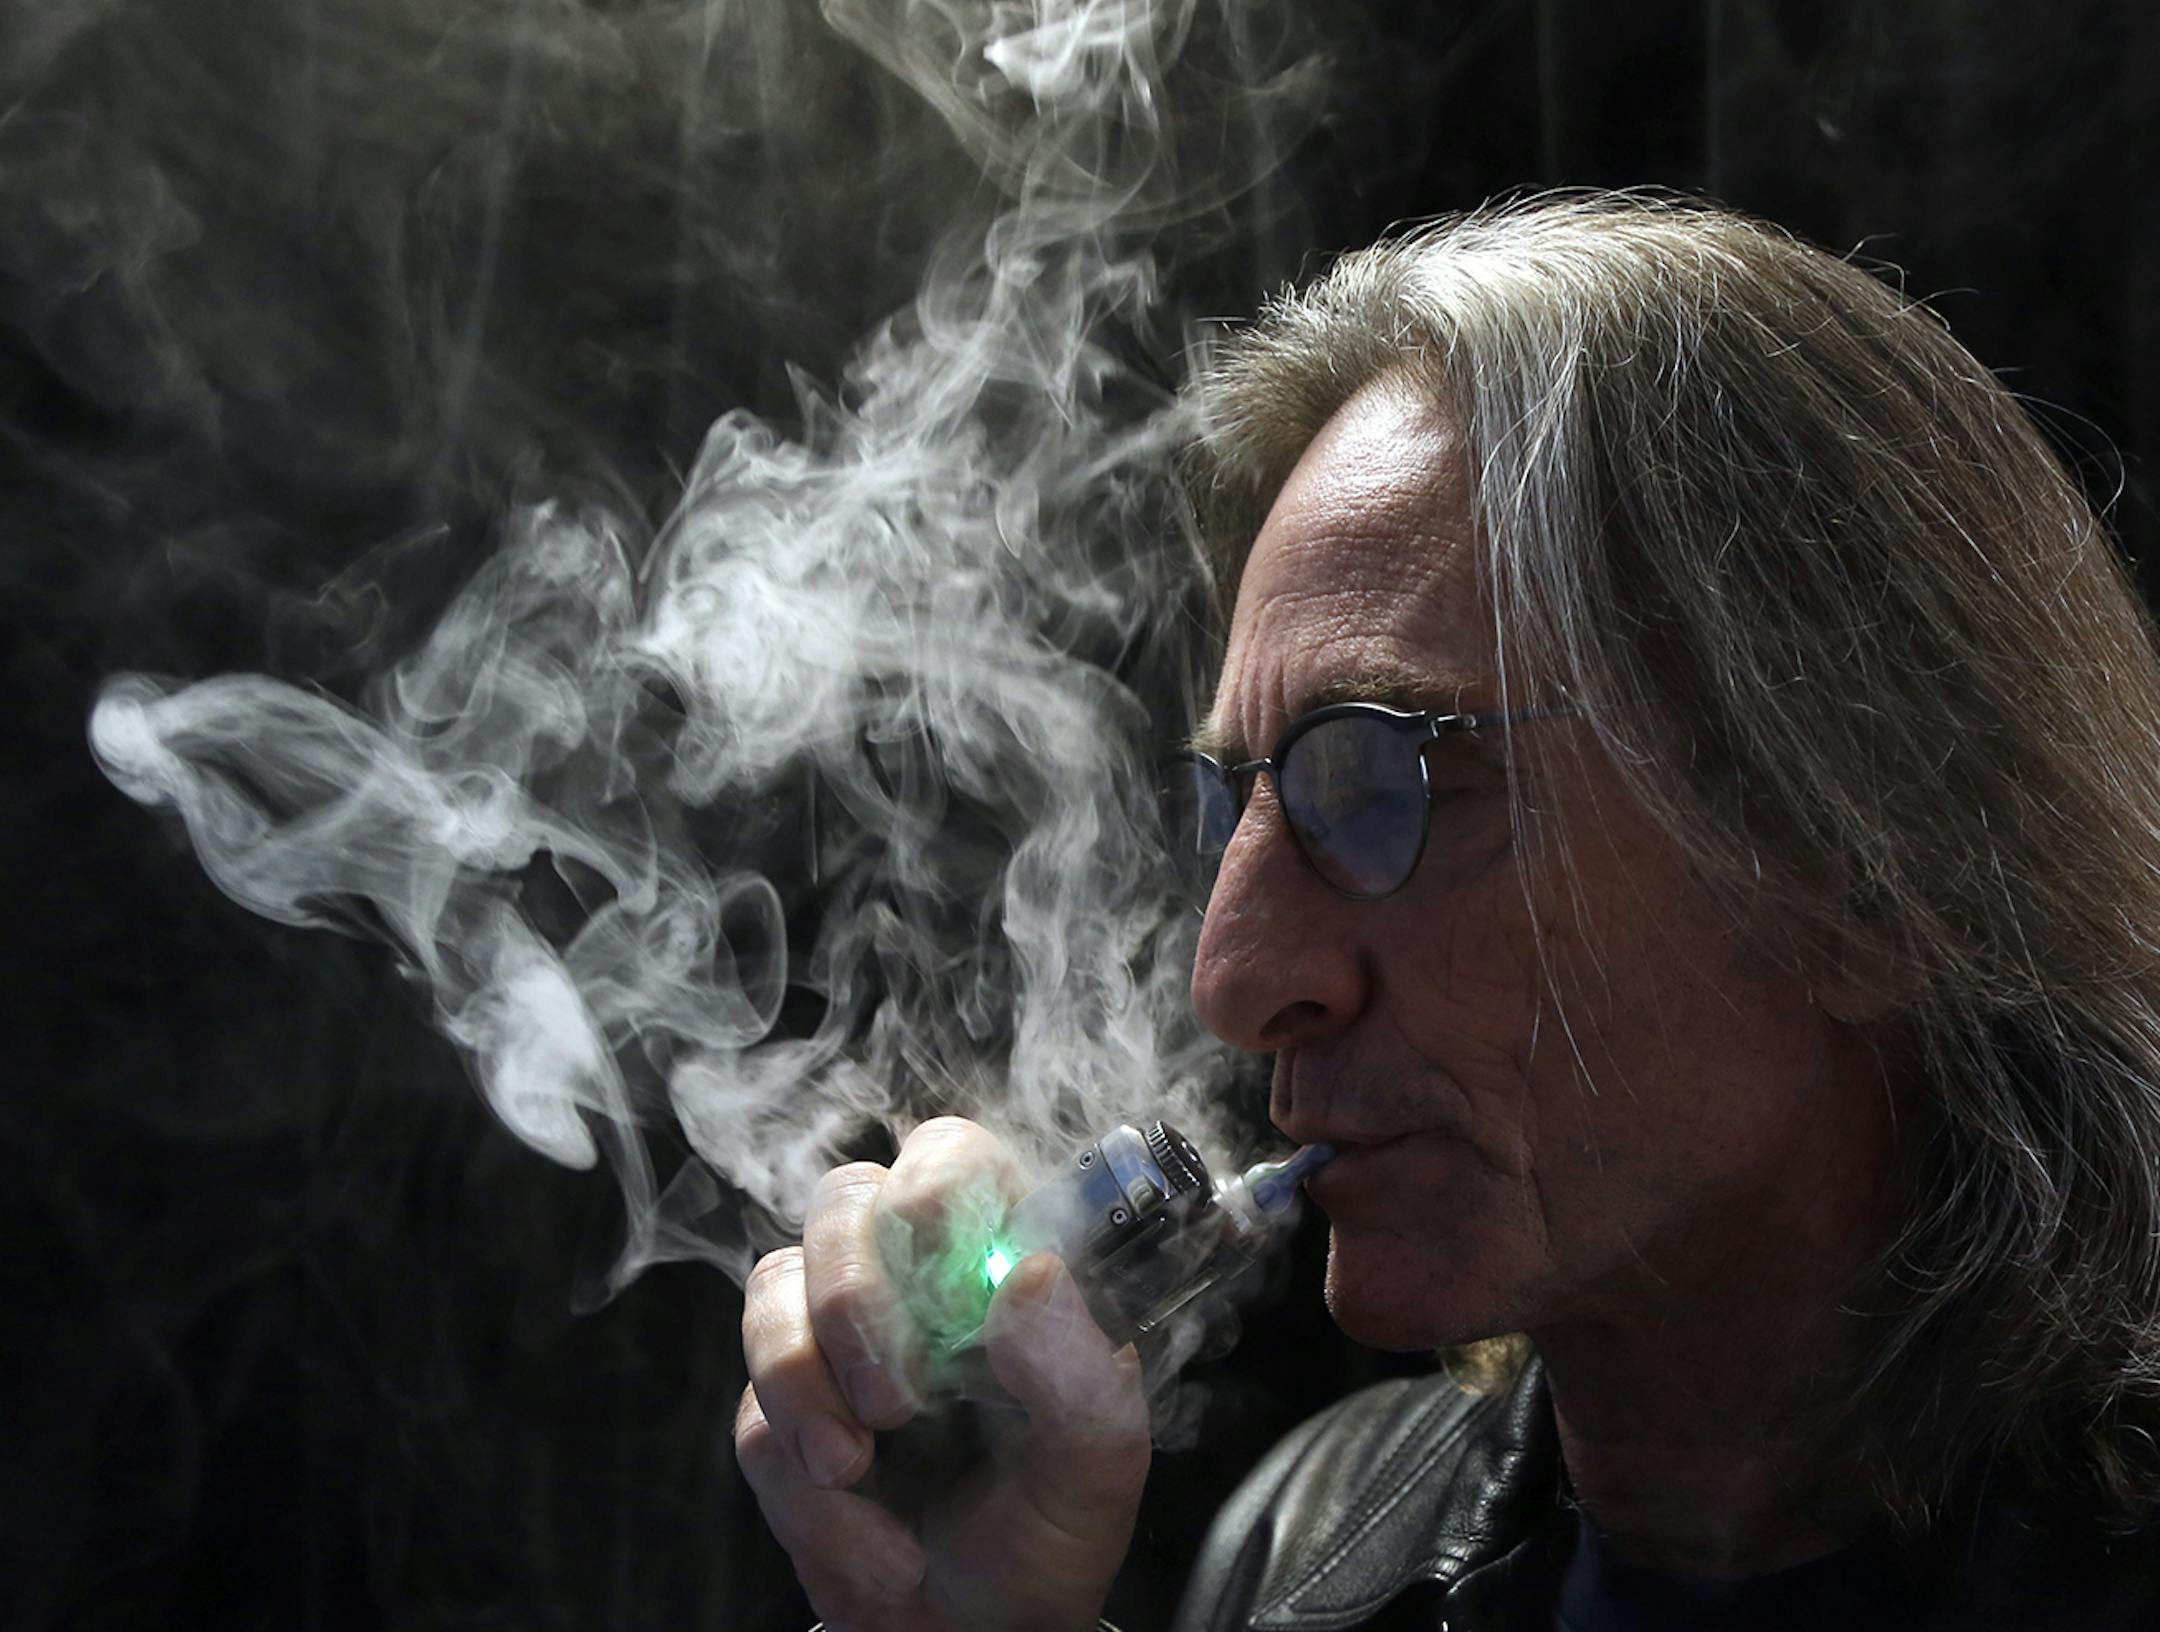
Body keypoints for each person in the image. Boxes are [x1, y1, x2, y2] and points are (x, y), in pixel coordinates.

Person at [733, 193, 2160, 1629]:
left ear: (1870, 853)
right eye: (1236, 805)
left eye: (1376, 780)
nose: (1232, 979)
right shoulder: (1303, 1547)